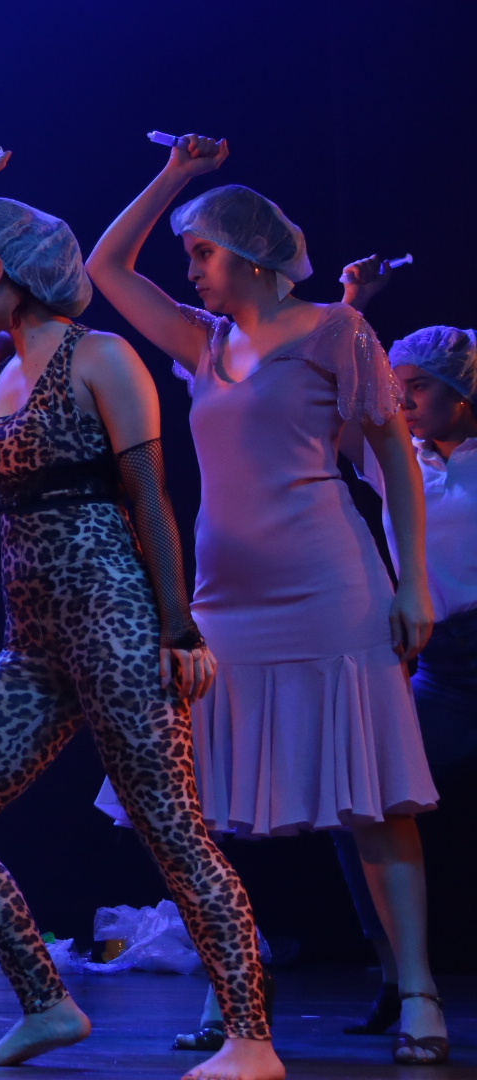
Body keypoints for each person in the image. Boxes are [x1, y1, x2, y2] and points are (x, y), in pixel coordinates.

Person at [0, 149, 279, 1080]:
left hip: (117, 628)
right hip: (33, 644)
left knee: (172, 830)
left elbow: (150, 500)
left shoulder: (101, 358)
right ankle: (46, 1004)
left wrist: (177, 630)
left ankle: (251, 1039)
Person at [86, 133, 445, 1067]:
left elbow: (395, 462)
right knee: (199, 803)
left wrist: (413, 580)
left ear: (250, 255)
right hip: (224, 604)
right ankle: (234, 980)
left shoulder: (335, 330)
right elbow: (104, 269)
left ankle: (419, 991)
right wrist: (174, 176)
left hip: (330, 587)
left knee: (375, 800)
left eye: (202, 252)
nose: (191, 271)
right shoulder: (203, 343)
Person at [331, 321, 477, 1038]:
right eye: (398, 388)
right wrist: (352, 306)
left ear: (462, 394)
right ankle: (397, 972)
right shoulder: (392, 454)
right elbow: (328, 393)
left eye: (419, 388)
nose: (405, 402)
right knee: (364, 790)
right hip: (444, 670)